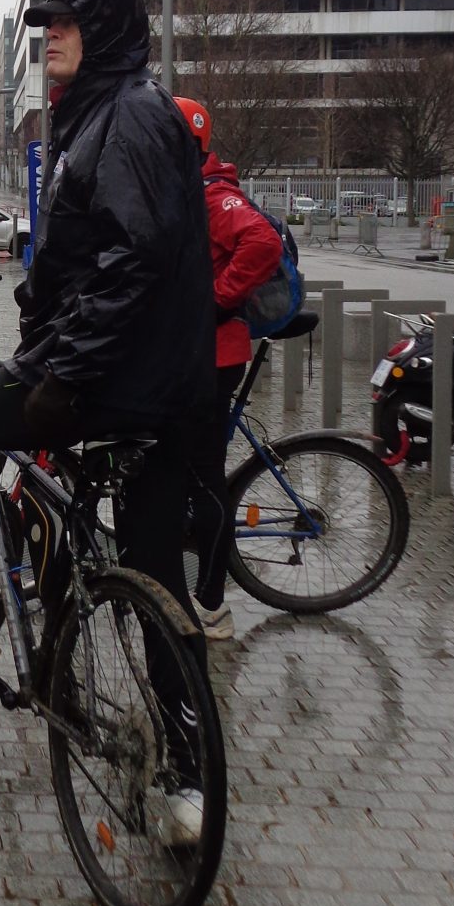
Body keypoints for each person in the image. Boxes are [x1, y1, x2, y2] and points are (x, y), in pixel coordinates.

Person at [0, 0, 216, 838]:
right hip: (161, 392)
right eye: (46, 28)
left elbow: (134, 261)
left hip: (108, 381)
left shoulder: (126, 116)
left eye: (68, 26)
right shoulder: (116, 113)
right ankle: (188, 786)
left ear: (108, 29)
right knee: (157, 585)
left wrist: (66, 374)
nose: (51, 40)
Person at [174, 96, 282, 642]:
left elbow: (262, 242)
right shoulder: (184, 191)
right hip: (191, 357)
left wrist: (214, 301)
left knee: (202, 477)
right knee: (184, 473)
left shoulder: (213, 195)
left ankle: (211, 604)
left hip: (212, 359)